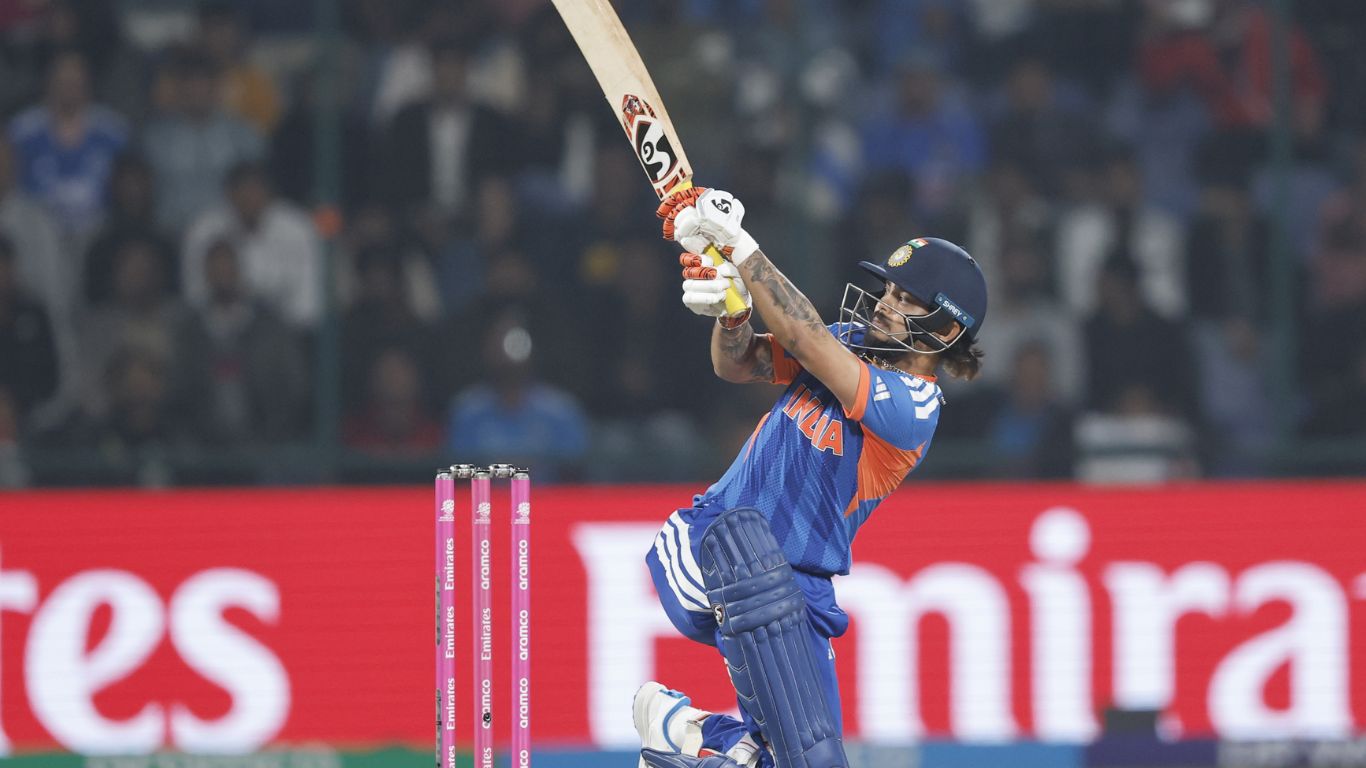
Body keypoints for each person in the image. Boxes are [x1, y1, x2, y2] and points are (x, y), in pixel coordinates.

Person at [634, 187, 987, 768]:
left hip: (796, 589)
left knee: (813, 762)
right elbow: (737, 363)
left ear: (946, 332)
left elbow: (805, 338)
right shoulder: (848, 342)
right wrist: (732, 314)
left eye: (907, 299)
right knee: (802, 744)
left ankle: (687, 730)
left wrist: (740, 247)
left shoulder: (914, 407)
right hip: (720, 548)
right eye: (889, 290)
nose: (884, 304)